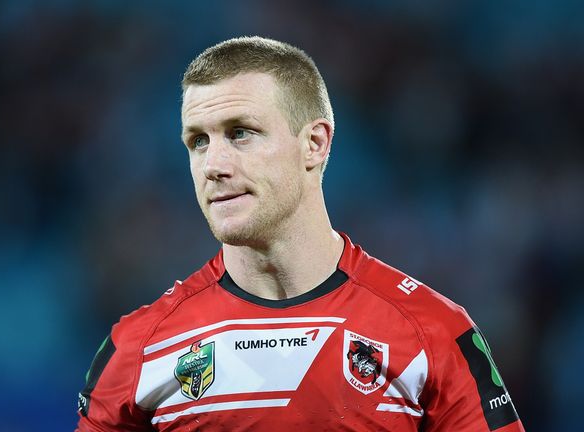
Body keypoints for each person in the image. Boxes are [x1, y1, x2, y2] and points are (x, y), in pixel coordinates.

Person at [76, 36, 524, 431]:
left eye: (240, 133)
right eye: (198, 141)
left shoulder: (432, 332)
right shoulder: (137, 348)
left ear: (315, 144)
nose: (213, 166)